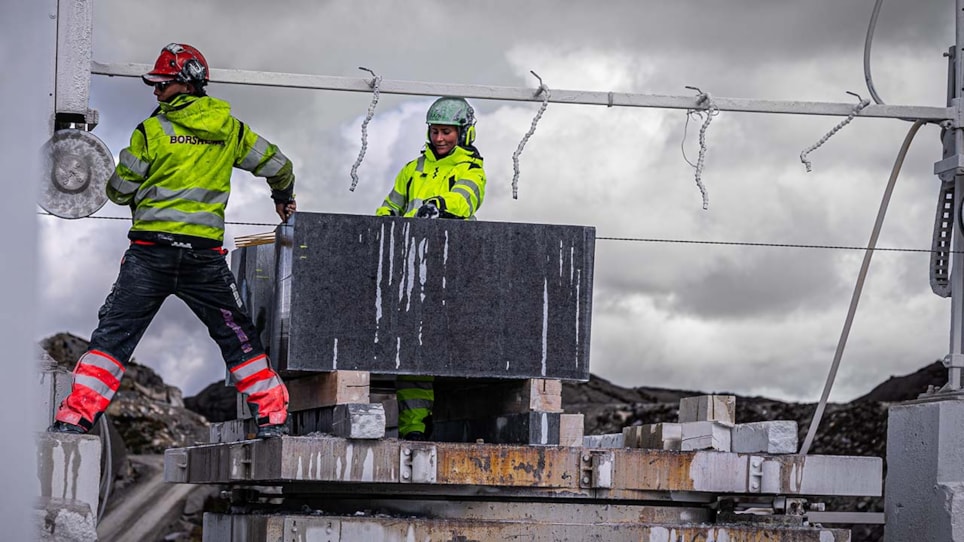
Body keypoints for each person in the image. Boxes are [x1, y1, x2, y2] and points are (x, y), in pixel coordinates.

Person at [49, 43, 296, 439]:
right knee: (239, 339)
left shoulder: (152, 131)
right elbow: (280, 166)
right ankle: (274, 421)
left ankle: (74, 420)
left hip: (150, 257)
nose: (155, 91)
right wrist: (283, 196)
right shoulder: (231, 130)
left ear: (184, 84)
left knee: (113, 340)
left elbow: (119, 190)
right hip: (204, 259)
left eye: (162, 84)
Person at [376, 96, 487, 440]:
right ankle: (414, 429)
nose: (440, 138)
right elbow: (388, 209)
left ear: (464, 133)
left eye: (447, 132)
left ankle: (441, 422)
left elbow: (465, 199)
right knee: (411, 351)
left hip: (448, 269)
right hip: (408, 270)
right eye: (435, 131)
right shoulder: (412, 169)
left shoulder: (470, 169)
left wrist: (439, 205)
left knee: (437, 348)